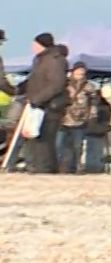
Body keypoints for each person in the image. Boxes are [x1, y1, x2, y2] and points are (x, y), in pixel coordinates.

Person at [19, 33, 69, 173]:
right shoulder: (40, 60)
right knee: (36, 138)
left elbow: (56, 85)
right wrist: (20, 89)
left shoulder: (54, 60)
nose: (32, 47)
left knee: (45, 140)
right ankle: (41, 168)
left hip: (49, 106)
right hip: (38, 105)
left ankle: (45, 170)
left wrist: (38, 98)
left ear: (42, 45)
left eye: (35, 44)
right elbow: (35, 80)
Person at [57, 62, 103, 174]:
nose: (80, 73)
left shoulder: (89, 86)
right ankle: (61, 166)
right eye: (78, 70)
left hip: (80, 120)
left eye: (82, 71)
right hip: (64, 119)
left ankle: (77, 166)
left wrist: (92, 115)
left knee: (78, 146)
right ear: (73, 71)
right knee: (60, 145)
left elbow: (94, 101)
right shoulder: (64, 84)